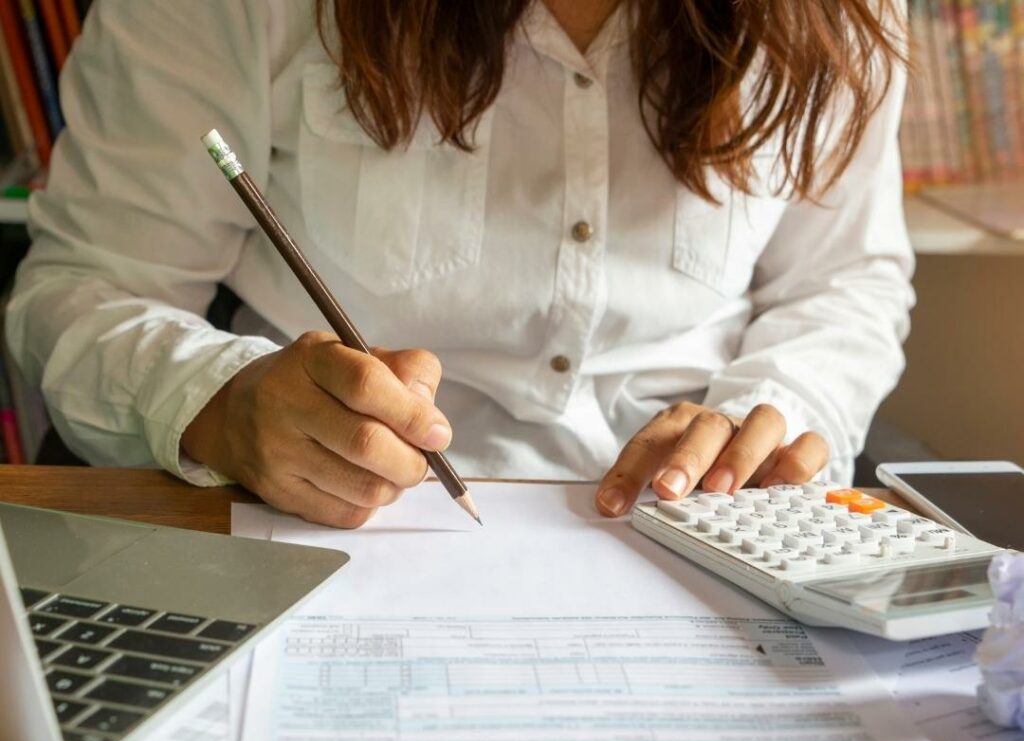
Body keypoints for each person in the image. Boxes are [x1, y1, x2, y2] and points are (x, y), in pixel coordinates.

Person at [6, 0, 913, 528]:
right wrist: (218, 402)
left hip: (700, 535)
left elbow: (844, 283)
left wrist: (772, 417)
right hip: (319, 532)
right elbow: (86, 287)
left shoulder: (840, 17)